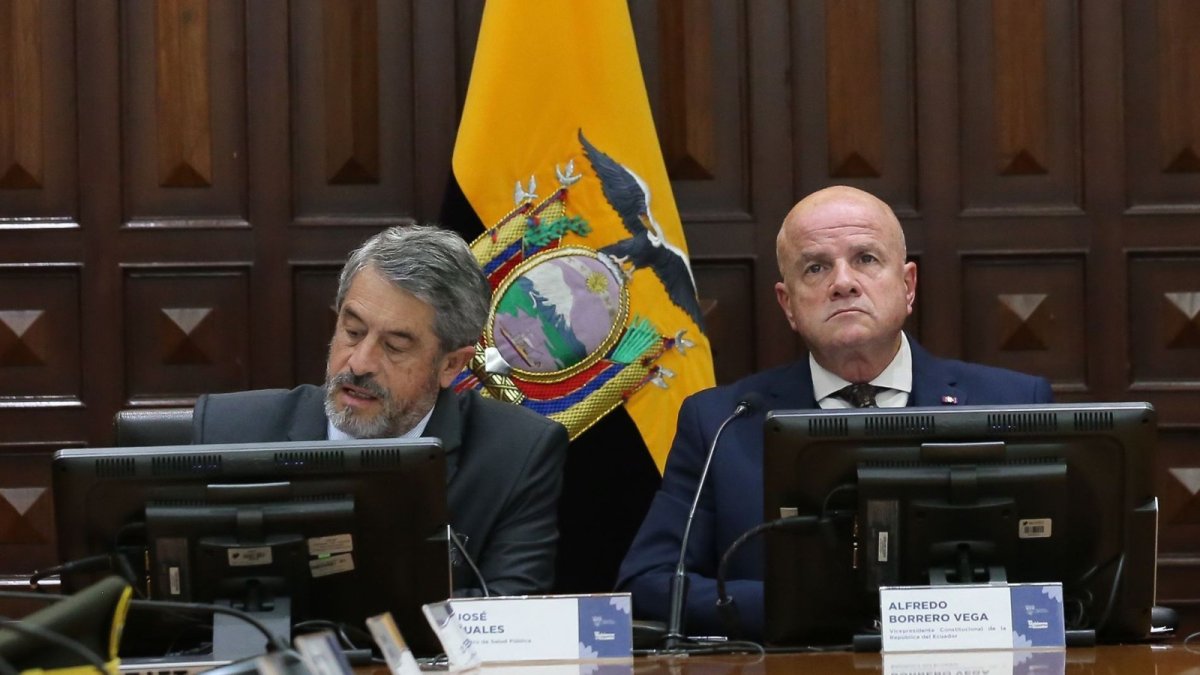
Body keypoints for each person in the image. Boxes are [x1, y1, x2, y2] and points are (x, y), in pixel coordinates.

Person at [615, 185, 1053, 639]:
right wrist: (805, 606)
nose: (842, 283)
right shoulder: (721, 422)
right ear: (788, 304)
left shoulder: (1012, 403)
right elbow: (648, 583)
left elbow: (1065, 578)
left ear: (907, 287)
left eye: (865, 258)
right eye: (816, 267)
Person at [192, 225, 569, 596]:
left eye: (394, 346)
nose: (359, 363)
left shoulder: (517, 454)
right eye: (352, 332)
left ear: (451, 365)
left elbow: (513, 612)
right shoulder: (231, 431)